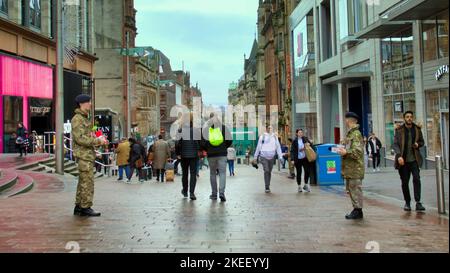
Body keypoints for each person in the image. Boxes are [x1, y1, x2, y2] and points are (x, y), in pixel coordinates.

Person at [72, 94, 107, 217]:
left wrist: (96, 139)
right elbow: (80, 139)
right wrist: (98, 141)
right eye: (88, 102)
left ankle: (79, 206)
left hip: (87, 154)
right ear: (82, 104)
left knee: (83, 181)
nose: (90, 104)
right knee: (88, 182)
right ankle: (86, 207)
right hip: (83, 156)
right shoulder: (78, 119)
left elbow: (86, 136)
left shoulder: (84, 118)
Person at [393, 111, 426, 212]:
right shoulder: (399, 130)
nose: (409, 118)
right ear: (404, 118)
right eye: (407, 117)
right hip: (403, 161)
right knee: (405, 182)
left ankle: (418, 202)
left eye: (411, 117)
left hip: (414, 160)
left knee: (417, 179)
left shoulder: (417, 129)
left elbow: (422, 142)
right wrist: (399, 156)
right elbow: (395, 144)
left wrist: (418, 145)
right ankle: (407, 202)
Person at [336, 112, 365, 220]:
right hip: (350, 168)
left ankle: (358, 210)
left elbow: (357, 152)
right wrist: (343, 145)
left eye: (346, 120)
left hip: (355, 168)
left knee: (355, 189)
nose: (346, 122)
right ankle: (356, 209)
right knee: (352, 189)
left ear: (349, 120)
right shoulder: (351, 134)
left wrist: (346, 152)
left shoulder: (356, 134)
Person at [202, 113, 233, 202]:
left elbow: (202, 143)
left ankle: (214, 194)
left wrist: (207, 148)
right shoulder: (223, 127)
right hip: (222, 154)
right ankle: (222, 193)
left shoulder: (206, 129)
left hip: (211, 154)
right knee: (222, 173)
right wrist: (224, 147)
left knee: (212, 173)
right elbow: (230, 140)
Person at [176, 113, 201, 200]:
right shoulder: (195, 130)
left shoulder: (180, 130)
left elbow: (177, 143)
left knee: (185, 173)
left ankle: (185, 191)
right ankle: (192, 193)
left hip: (183, 155)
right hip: (194, 155)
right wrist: (199, 150)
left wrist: (178, 153)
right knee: (193, 174)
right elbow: (199, 142)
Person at [252, 125, 283, 193]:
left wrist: (280, 157)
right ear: (266, 129)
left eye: (271, 128)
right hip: (263, 156)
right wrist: (255, 157)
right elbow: (258, 147)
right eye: (268, 128)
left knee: (269, 171)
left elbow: (278, 147)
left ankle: (268, 185)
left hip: (272, 157)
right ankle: (267, 186)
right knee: (266, 170)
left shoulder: (275, 137)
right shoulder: (262, 136)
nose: (270, 129)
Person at [290, 129, 313, 193]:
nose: (301, 133)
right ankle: (299, 186)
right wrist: (292, 159)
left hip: (305, 158)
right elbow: (292, 151)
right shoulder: (294, 141)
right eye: (299, 132)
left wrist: (310, 143)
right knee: (299, 172)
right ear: (297, 133)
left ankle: (305, 184)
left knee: (307, 171)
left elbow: (311, 145)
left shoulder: (305, 138)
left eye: (301, 132)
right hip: (298, 159)